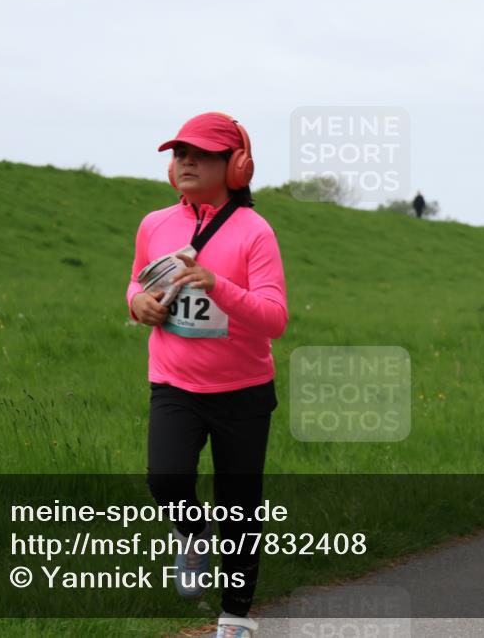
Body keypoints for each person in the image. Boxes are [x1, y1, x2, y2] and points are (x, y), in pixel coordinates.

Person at [126, 112, 288, 638]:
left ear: (235, 165)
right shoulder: (155, 224)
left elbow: (274, 318)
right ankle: (193, 534)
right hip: (174, 382)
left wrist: (217, 284)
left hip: (243, 392)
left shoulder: (254, 232)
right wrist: (139, 305)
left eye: (200, 154)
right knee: (166, 478)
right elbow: (135, 284)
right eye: (179, 154)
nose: (186, 162)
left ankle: (236, 619)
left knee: (239, 509)